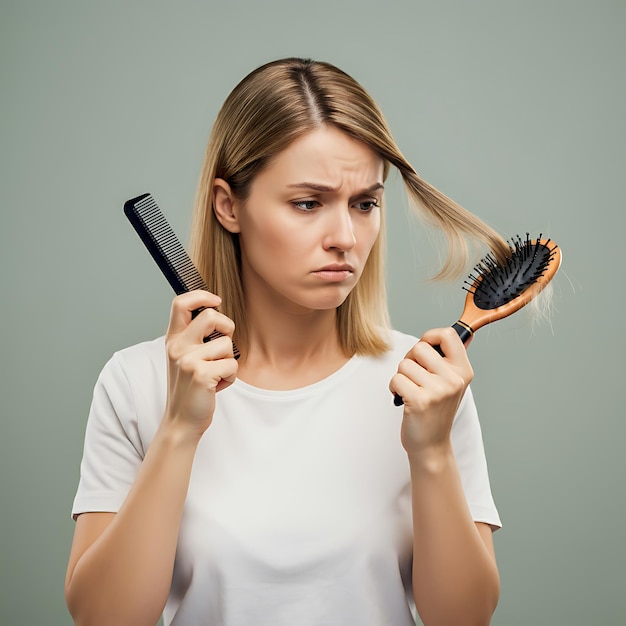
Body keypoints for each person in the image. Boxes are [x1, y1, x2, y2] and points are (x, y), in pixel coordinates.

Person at [65, 57, 506, 626]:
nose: (345, 238)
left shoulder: (426, 385)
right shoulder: (136, 383)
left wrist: (432, 452)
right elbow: (103, 619)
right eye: (308, 203)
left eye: (365, 203)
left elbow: (464, 619)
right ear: (229, 206)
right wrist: (178, 430)